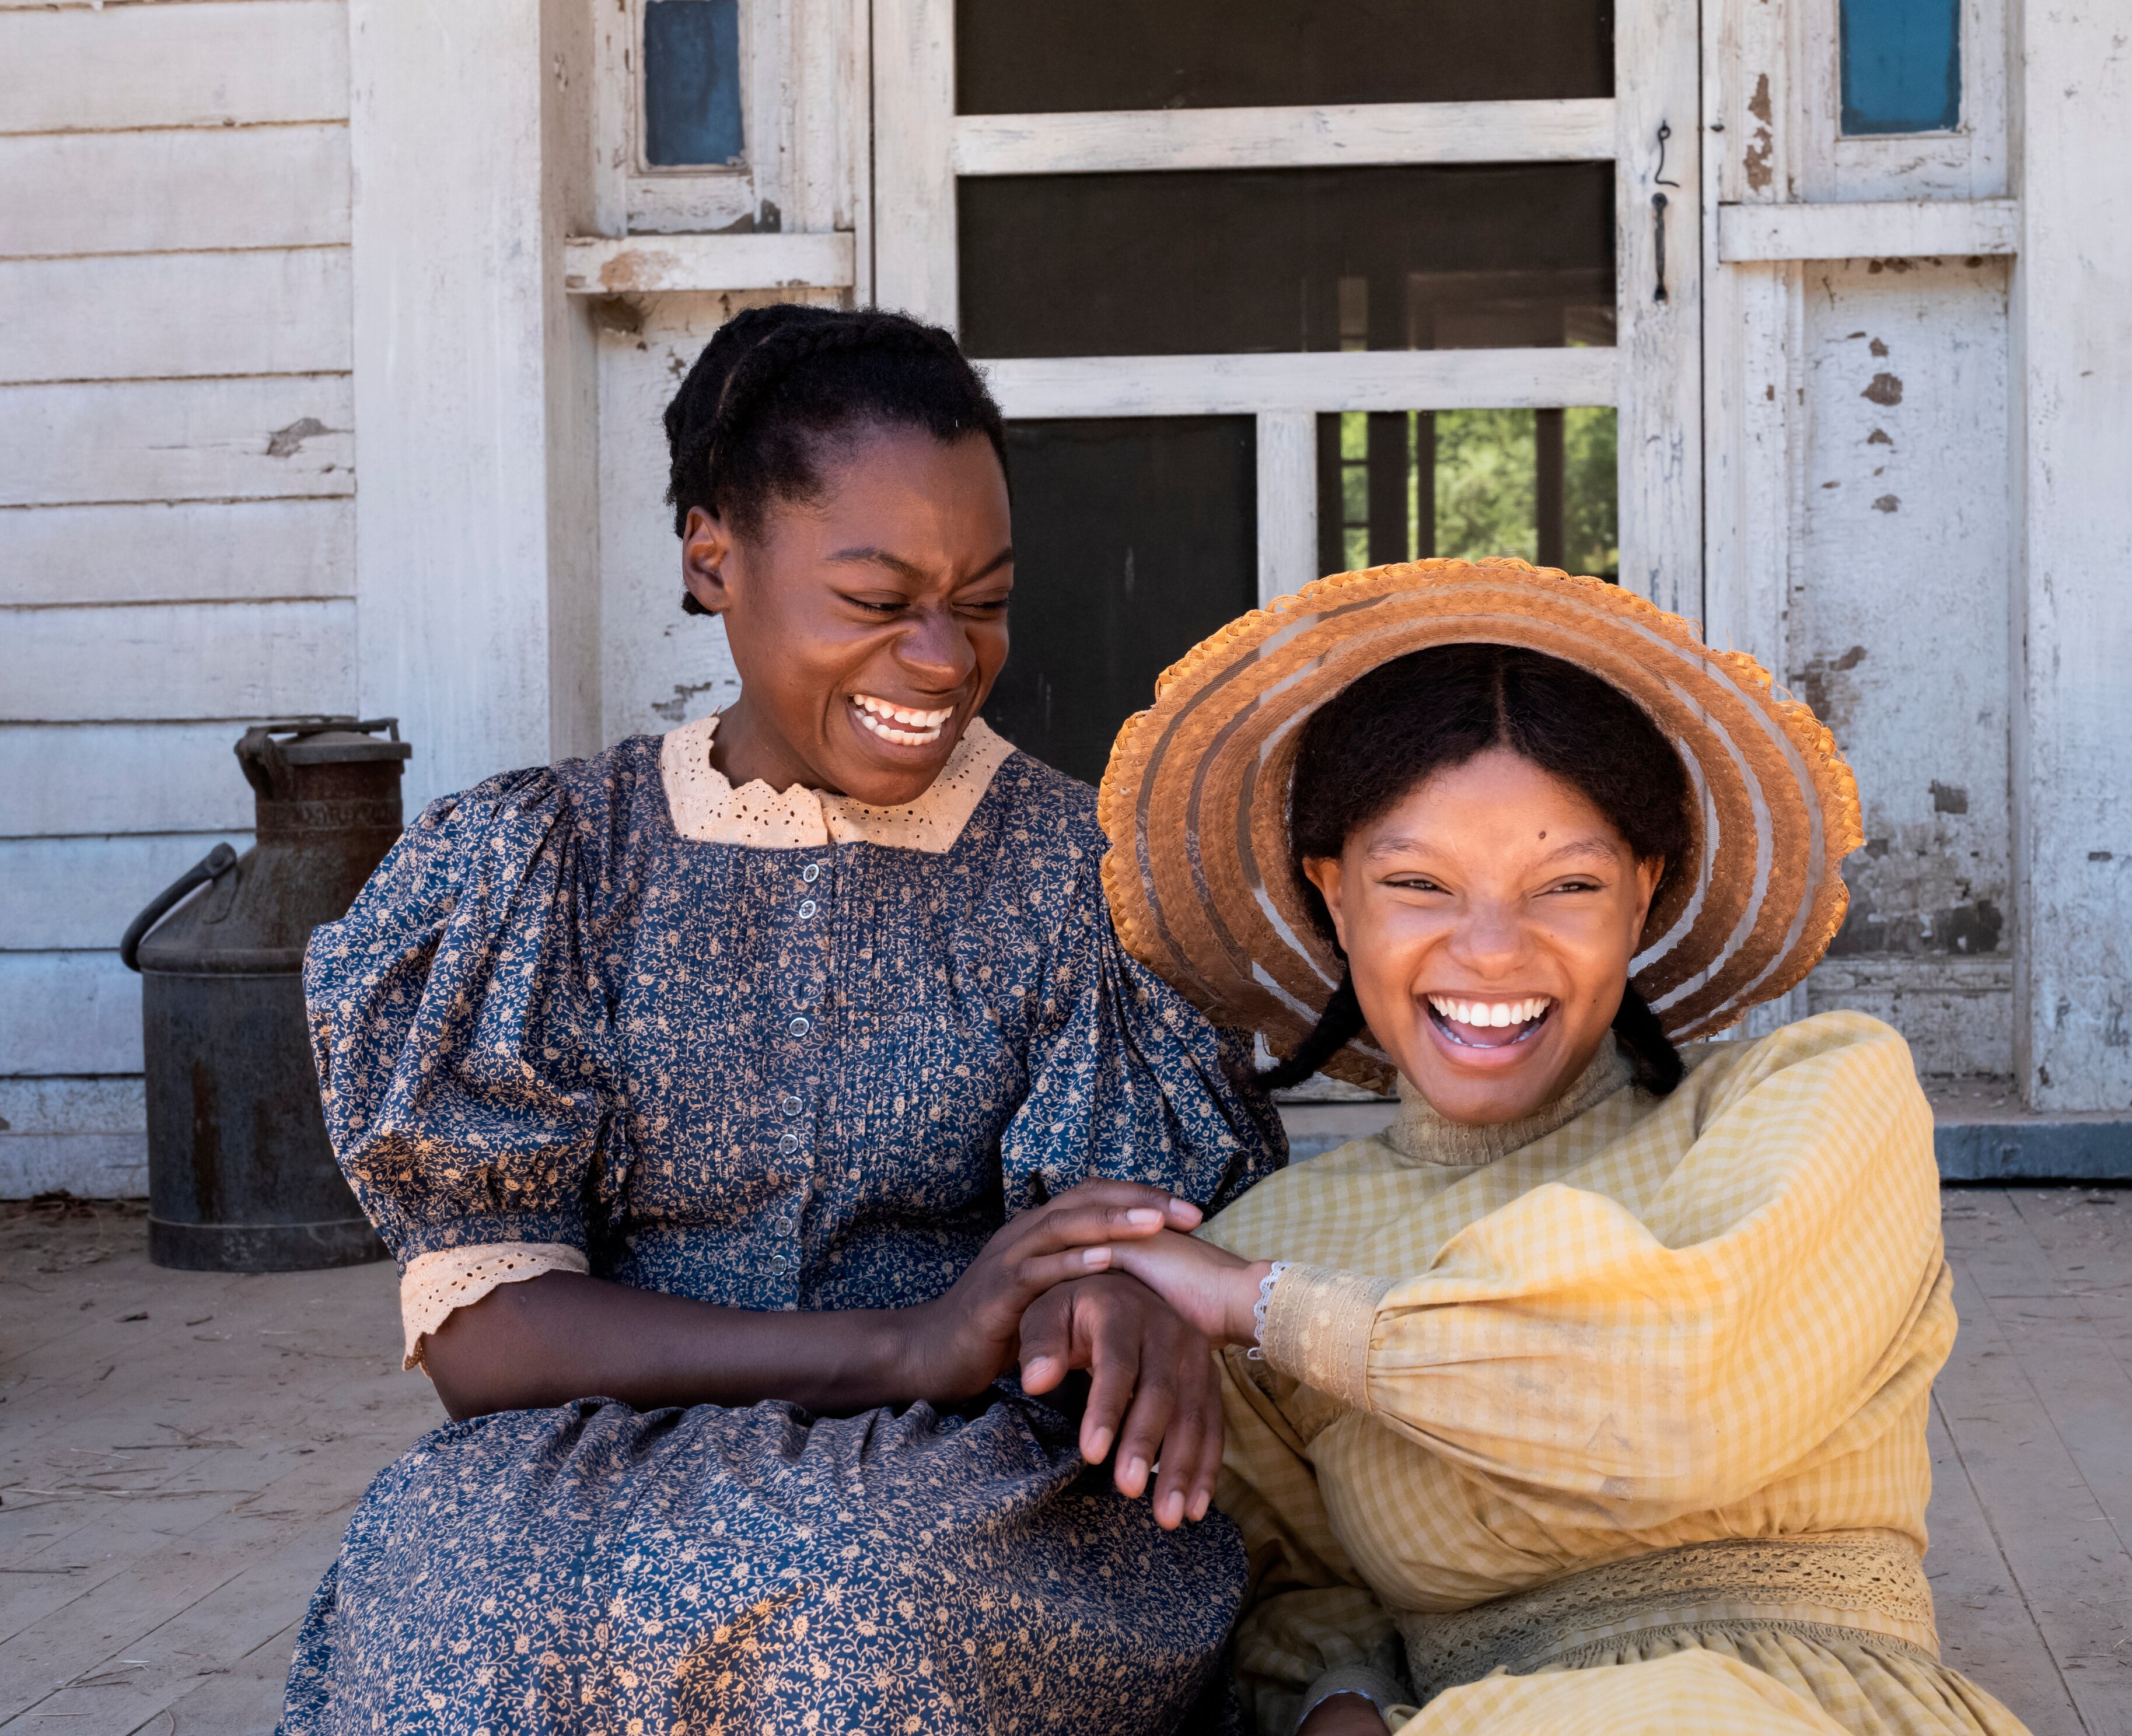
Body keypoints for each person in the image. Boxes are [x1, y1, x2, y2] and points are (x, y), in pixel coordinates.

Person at [285, 305, 1284, 1736]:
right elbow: (484, 1337)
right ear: (714, 560)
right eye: (878, 602)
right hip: (595, 1451)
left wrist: (1106, 1309)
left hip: (972, 1476)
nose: (942, 658)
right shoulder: (553, 863)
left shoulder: (1085, 884)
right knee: (446, 1592)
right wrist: (897, 1344)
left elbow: (1099, 1253)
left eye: (984, 599)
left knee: (844, 1610)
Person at [1086, 561, 2035, 1735]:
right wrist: (1338, 1699)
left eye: (1568, 884)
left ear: (1644, 894)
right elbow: (1304, 1592)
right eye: (1419, 883)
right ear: (1335, 898)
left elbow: (1676, 1404)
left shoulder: (1813, 1099)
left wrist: (1276, 1310)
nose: (1491, 950)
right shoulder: (1268, 1246)